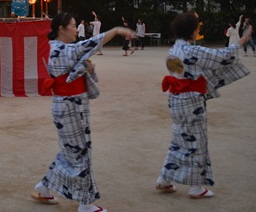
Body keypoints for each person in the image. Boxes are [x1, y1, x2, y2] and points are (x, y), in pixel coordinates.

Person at [32, 12, 133, 212]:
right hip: (69, 106)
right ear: (61, 29)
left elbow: (81, 58)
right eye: (73, 25)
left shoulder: (62, 49)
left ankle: (44, 187)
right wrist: (115, 30)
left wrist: (90, 70)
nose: (76, 29)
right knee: (80, 153)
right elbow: (87, 46)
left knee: (71, 151)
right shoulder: (61, 50)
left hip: (71, 105)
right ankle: (86, 203)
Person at [156, 12, 252, 200]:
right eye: (197, 27)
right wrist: (242, 40)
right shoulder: (192, 51)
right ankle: (196, 187)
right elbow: (222, 57)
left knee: (179, 139)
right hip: (191, 102)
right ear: (192, 31)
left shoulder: (174, 49)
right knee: (197, 142)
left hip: (176, 100)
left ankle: (164, 179)